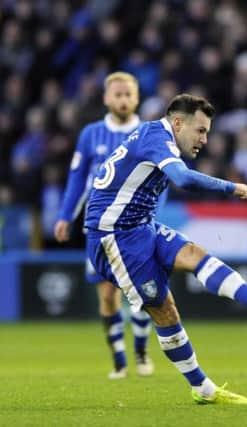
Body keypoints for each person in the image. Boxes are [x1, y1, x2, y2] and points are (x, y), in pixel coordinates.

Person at [84, 94, 247, 405]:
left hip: (141, 226)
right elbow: (182, 178)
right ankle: (202, 388)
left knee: (195, 254)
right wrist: (232, 187)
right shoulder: (157, 137)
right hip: (113, 239)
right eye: (200, 130)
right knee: (164, 309)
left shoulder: (154, 136)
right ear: (177, 123)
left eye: (207, 132)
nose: (204, 139)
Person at [54, 72, 155, 379]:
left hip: (136, 228)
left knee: (141, 293)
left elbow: (160, 182)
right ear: (106, 99)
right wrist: (65, 215)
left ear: (136, 98)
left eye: (128, 95)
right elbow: (77, 179)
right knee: (108, 295)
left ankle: (141, 351)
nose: (123, 100)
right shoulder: (91, 135)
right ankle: (120, 359)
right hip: (97, 228)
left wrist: (153, 218)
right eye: (118, 95)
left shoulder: (148, 133)